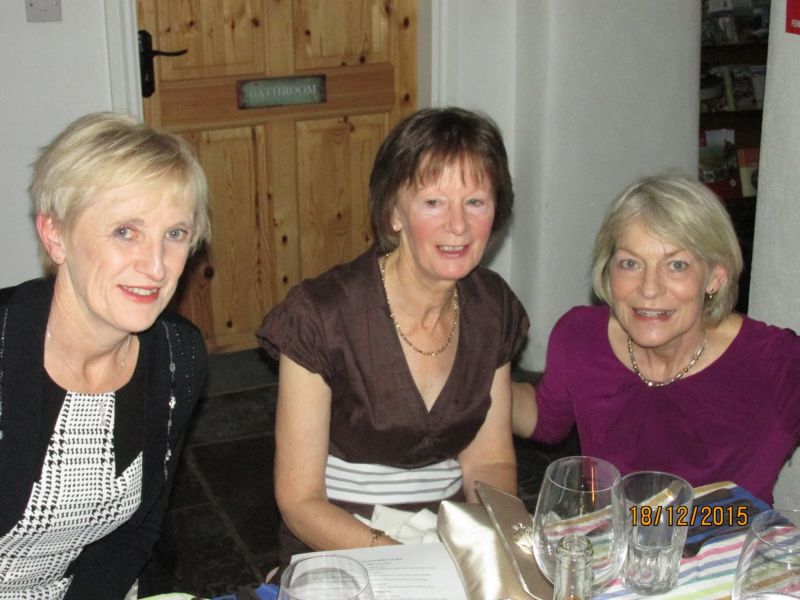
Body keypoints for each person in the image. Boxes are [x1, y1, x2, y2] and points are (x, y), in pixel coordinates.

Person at [257, 107, 529, 564]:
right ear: (393, 214)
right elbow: (300, 502)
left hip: (445, 540)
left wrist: (494, 544)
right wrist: (403, 562)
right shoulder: (322, 315)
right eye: (433, 202)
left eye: (475, 202)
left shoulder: (492, 308)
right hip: (339, 544)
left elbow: (489, 462)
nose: (458, 225)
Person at [0, 112, 210, 599]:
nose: (156, 267)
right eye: (125, 232)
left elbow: (136, 532)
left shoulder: (178, 355)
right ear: (55, 235)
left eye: (175, 234)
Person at [512, 173, 800, 505]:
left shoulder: (773, 363)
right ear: (608, 271)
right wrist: (475, 366)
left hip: (730, 537)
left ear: (715, 277)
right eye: (630, 263)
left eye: (676, 265)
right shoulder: (581, 338)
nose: (649, 289)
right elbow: (547, 420)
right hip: (613, 537)